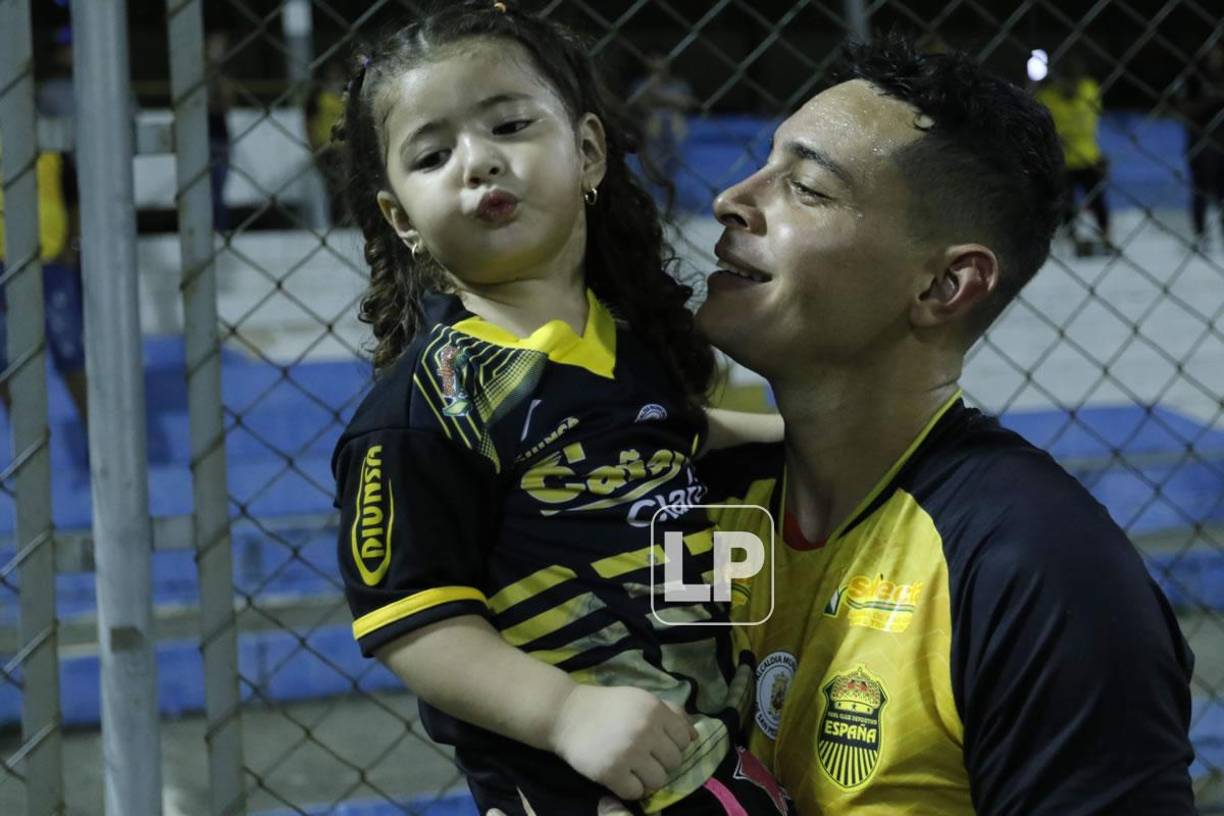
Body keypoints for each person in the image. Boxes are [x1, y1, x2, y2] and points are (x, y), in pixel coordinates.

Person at [695, 37, 1196, 815]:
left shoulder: (1039, 572)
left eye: (806, 188)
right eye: (763, 163)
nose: (733, 196)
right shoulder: (684, 495)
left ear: (944, 284)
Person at [330, 3, 790, 815]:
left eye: (509, 125)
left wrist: (830, 443)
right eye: (433, 155)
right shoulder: (423, 408)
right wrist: (564, 711)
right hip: (583, 792)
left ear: (587, 152)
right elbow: (413, 625)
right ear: (402, 219)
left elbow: (684, 445)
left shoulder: (630, 344)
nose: (478, 163)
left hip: (716, 753)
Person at [1036, 55, 1113, 256]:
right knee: (1066, 204)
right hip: (1062, 161)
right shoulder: (1048, 97)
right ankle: (1073, 239)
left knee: (1098, 201)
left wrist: (1063, 133)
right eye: (1067, 79)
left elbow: (1087, 123)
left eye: (1075, 79)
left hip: (1088, 156)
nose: (1071, 84)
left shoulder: (1089, 90)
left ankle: (1106, 236)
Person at [1178, 41, 1224, 253]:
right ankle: (1200, 234)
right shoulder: (1193, 77)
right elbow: (1184, 109)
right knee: (1200, 190)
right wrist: (1210, 103)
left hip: (1221, 139)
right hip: (1200, 139)